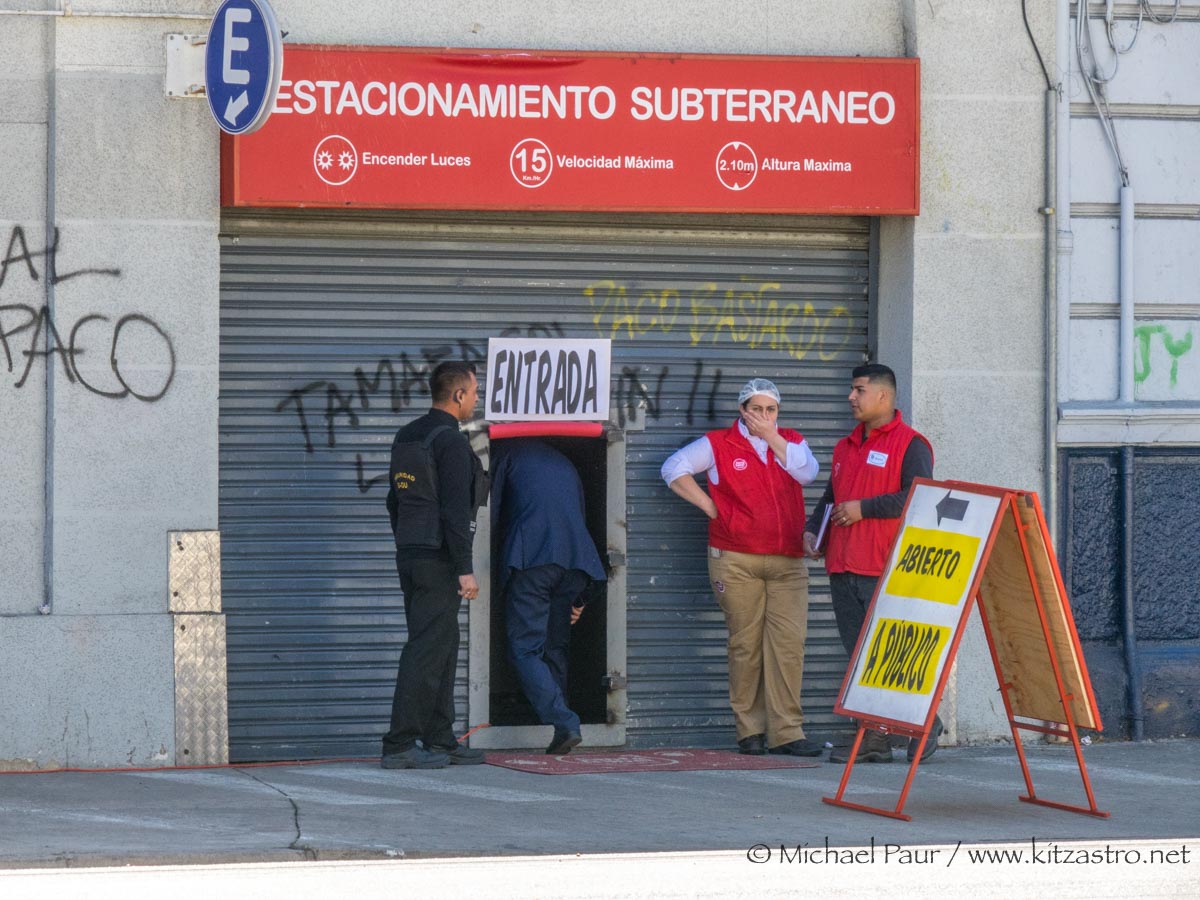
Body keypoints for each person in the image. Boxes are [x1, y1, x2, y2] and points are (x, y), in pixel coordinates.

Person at [660, 378, 823, 758]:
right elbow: (673, 468)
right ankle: (749, 731)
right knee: (745, 644)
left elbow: (808, 474)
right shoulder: (719, 443)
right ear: (742, 411)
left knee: (788, 646)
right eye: (756, 409)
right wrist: (711, 508)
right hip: (735, 559)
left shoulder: (792, 442)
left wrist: (774, 438)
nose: (764, 416)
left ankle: (787, 732)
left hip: (788, 561)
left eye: (771, 410)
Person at [803, 362, 938, 764]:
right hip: (843, 566)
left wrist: (865, 508)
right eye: (852, 389)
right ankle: (874, 738)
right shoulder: (845, 446)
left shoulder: (911, 445)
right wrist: (814, 530)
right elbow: (831, 497)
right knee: (859, 656)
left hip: (884, 567)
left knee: (892, 653)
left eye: (859, 390)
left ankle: (927, 726)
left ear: (884, 395)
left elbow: (917, 496)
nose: (851, 397)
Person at [381, 360, 488, 769]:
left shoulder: (408, 435)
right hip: (439, 557)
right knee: (426, 649)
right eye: (474, 391)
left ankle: (441, 738)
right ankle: (400, 744)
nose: (476, 399)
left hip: (412, 554)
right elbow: (455, 511)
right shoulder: (451, 442)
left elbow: (394, 500)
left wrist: (406, 543)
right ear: (458, 394)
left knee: (441, 643)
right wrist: (464, 567)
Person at [490, 439, 607, 755]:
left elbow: (492, 511)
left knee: (525, 649)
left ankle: (564, 719)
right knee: (554, 647)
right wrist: (581, 599)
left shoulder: (503, 455)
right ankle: (561, 727)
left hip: (534, 559)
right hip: (576, 563)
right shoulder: (562, 461)